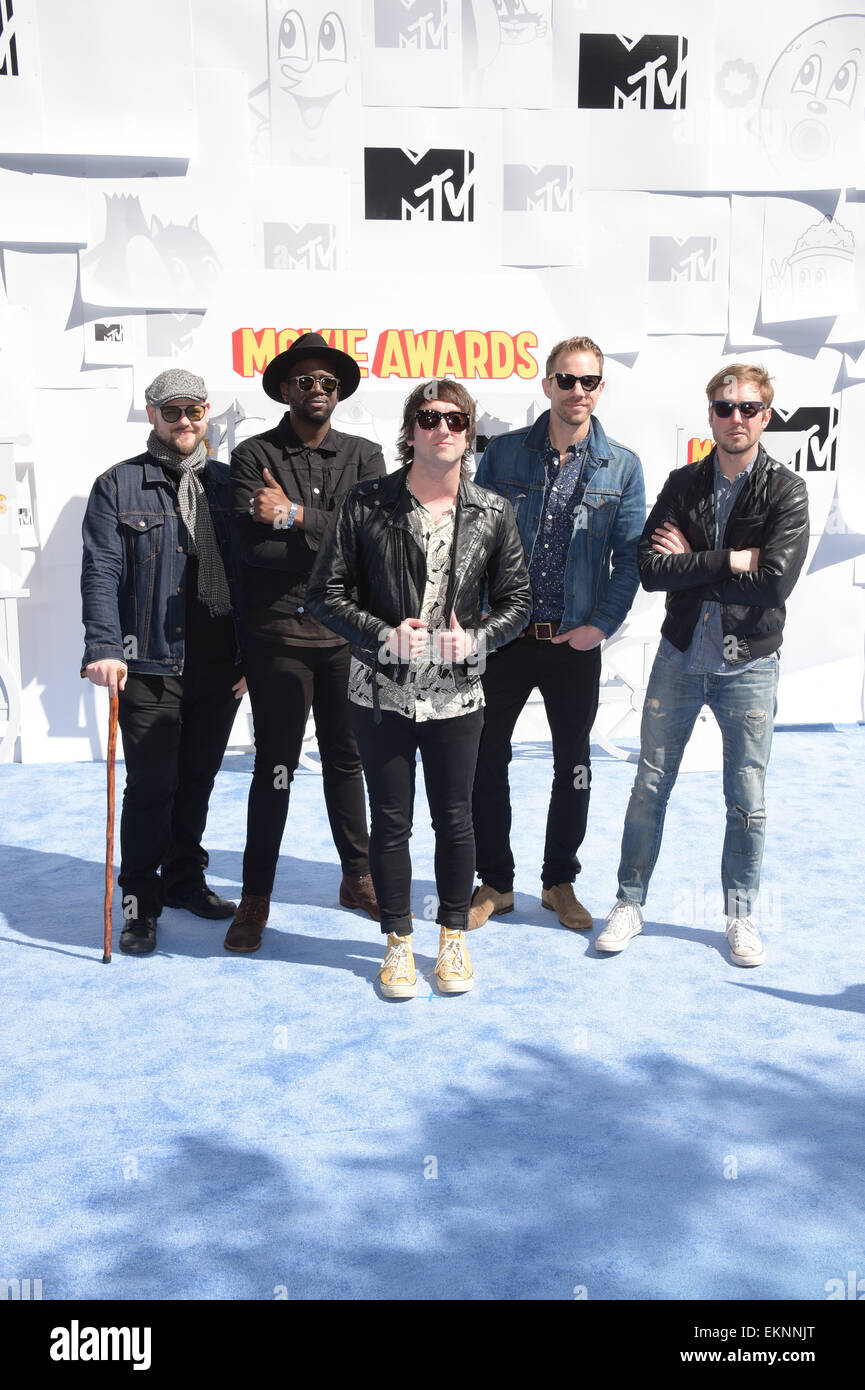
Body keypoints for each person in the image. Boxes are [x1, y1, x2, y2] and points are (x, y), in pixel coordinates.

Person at [307, 380, 531, 997]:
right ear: (410, 431)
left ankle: (452, 937)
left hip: (457, 695)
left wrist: (479, 639)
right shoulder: (365, 504)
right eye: (429, 418)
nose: (443, 430)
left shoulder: (493, 511)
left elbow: (517, 602)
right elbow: (323, 596)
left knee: (457, 820)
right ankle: (399, 943)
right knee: (391, 821)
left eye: (455, 420)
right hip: (381, 691)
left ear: (469, 432)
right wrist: (382, 634)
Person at [597, 363, 809, 966]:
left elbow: (773, 585)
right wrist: (734, 559)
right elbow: (651, 570)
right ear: (710, 414)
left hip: (750, 663)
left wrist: (700, 561)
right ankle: (628, 901)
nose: (735, 418)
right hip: (681, 654)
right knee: (649, 783)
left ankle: (740, 916)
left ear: (766, 416)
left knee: (746, 795)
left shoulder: (786, 490)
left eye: (747, 408)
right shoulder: (683, 482)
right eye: (724, 407)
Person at [469, 335, 645, 931]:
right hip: (508, 637)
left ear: (600, 388)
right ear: (546, 384)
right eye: (566, 380)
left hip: (573, 643)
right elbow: (478, 543)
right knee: (485, 759)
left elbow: (630, 556)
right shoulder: (504, 455)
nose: (577, 391)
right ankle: (495, 881)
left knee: (574, 764)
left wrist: (601, 625)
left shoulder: (621, 465)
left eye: (588, 381)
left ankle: (558, 881)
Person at [225, 332, 385, 953]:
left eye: (326, 381)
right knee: (276, 766)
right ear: (285, 390)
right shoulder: (252, 454)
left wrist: (291, 515)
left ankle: (358, 878)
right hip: (278, 638)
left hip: (346, 638)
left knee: (348, 763)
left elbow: (369, 541)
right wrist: (326, 533)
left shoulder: (366, 455)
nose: (317, 389)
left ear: (339, 390)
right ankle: (255, 897)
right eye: (304, 381)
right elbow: (250, 550)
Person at [81, 369, 245, 956]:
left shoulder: (230, 484)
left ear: (206, 414)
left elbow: (253, 576)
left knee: (197, 781)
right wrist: (102, 645)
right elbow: (102, 569)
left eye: (194, 411)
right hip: (148, 661)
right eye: (171, 412)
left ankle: (183, 881)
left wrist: (253, 654)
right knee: (153, 785)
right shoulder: (118, 485)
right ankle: (139, 901)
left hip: (219, 662)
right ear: (151, 415)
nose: (185, 422)